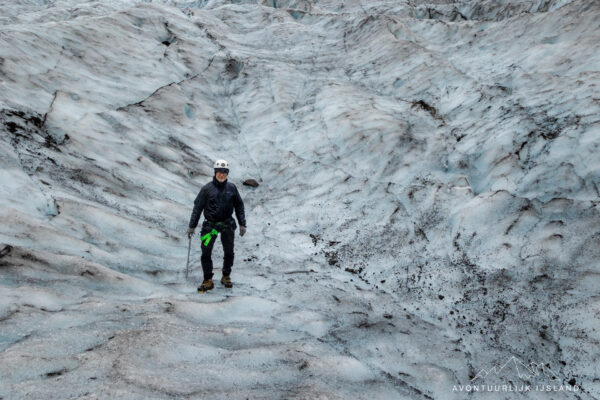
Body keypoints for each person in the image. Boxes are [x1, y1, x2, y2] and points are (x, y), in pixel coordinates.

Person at [187, 159, 246, 292]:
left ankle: (226, 276)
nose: (221, 174)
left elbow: (239, 206)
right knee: (206, 252)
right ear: (215, 172)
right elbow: (197, 208)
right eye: (219, 172)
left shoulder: (232, 188)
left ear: (227, 173)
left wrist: (242, 223)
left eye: (224, 172)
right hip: (210, 226)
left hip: (227, 225)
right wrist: (192, 226)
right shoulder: (206, 189)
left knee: (229, 252)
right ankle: (208, 279)